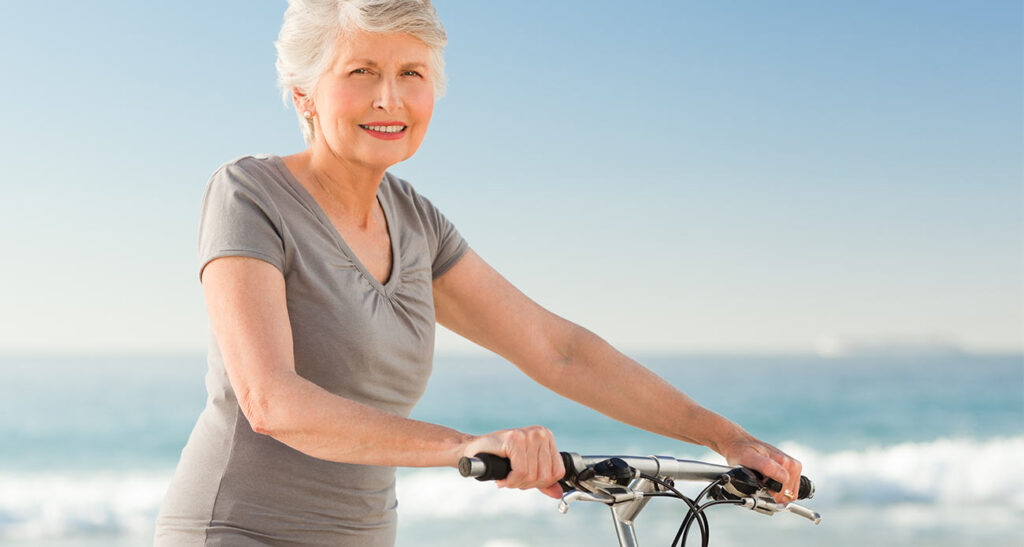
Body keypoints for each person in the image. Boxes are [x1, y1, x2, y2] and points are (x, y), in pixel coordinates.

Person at [154, 0, 803, 545]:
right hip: (235, 531)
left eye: (411, 71)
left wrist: (727, 437)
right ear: (305, 94)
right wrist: (469, 445)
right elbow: (272, 401)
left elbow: (559, 350)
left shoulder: (416, 223)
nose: (390, 96)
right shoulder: (250, 194)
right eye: (361, 70)